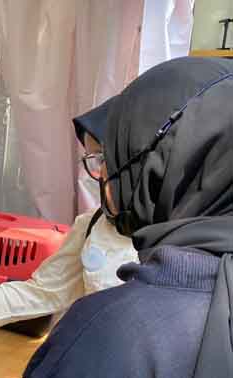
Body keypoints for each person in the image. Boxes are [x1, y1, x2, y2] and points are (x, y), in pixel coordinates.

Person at [22, 57, 233, 377]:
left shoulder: (110, 334)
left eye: (110, 155)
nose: (101, 173)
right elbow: (45, 290)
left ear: (154, 163)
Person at [0, 98, 138, 330]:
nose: (99, 174)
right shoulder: (93, 224)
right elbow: (42, 291)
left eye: (103, 158)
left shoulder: (172, 239)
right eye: (93, 161)